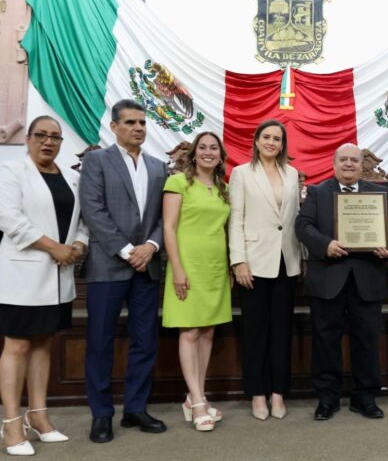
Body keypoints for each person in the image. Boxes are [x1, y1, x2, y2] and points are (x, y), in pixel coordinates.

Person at [79, 99, 167, 443]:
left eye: (142, 123)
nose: (138, 128)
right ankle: (101, 415)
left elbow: (165, 217)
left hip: (147, 268)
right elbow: (93, 210)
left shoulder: (159, 167)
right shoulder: (97, 161)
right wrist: (129, 251)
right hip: (108, 266)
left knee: (144, 342)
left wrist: (152, 246)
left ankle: (135, 408)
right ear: (114, 127)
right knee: (100, 343)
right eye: (130, 122)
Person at [295, 143, 388, 421]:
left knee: (367, 341)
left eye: (354, 160)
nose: (348, 164)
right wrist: (325, 244)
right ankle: (327, 398)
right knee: (325, 341)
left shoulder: (379, 194)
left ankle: (365, 397)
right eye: (343, 160)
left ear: (361, 164)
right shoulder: (318, 193)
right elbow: (303, 226)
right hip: (328, 279)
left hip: (367, 279)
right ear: (334, 163)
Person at [0, 116, 87, 456]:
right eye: (41, 136)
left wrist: (78, 246)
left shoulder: (71, 178)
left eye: (55, 137)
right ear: (29, 139)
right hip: (22, 276)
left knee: (42, 344)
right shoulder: (11, 172)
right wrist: (54, 247)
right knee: (17, 345)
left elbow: (82, 222)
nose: (48, 142)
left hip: (57, 278)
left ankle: (39, 417)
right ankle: (11, 423)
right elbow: (9, 218)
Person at [229, 120, 303, 420]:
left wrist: (304, 256)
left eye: (277, 138)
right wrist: (238, 261)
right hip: (254, 263)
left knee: (282, 332)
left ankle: (277, 393)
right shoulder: (241, 173)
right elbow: (236, 219)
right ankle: (257, 394)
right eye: (267, 137)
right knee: (255, 332)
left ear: (283, 144)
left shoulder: (292, 173)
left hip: (287, 261)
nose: (272, 142)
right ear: (256, 141)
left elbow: (295, 218)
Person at [163, 131, 231, 432]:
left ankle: (195, 397)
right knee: (189, 331)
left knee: (207, 332)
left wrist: (229, 266)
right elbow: (168, 227)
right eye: (202, 147)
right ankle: (199, 402)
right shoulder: (178, 182)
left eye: (213, 148)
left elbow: (225, 230)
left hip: (216, 267)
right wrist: (177, 268)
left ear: (220, 155)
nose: (207, 152)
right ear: (193, 153)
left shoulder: (223, 187)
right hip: (187, 265)